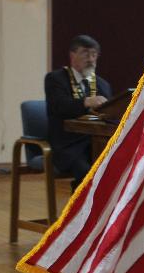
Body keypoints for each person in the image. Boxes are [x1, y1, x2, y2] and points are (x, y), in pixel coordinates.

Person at [44, 35, 112, 182]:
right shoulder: (55, 79)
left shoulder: (102, 84)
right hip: (68, 144)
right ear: (72, 55)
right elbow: (59, 106)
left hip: (95, 140)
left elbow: (110, 111)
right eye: (85, 53)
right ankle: (81, 204)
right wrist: (86, 102)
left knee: (115, 167)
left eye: (94, 54)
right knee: (87, 173)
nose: (91, 59)